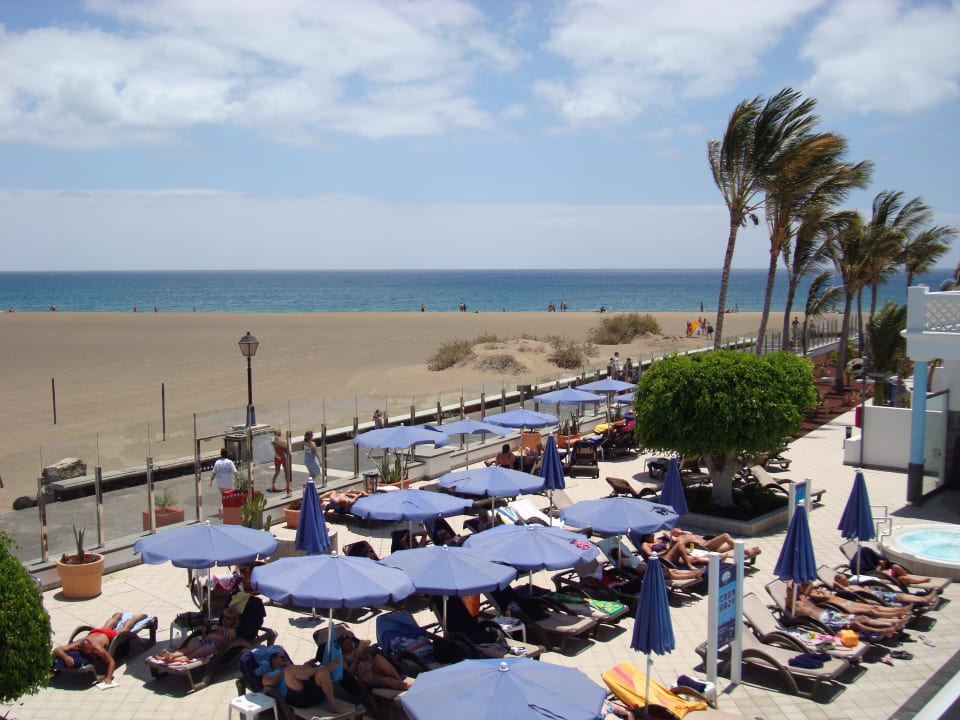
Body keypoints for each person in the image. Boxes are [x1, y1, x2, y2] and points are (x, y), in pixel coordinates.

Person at [53, 612, 148, 683]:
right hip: (95, 632)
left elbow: (111, 662)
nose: (92, 653)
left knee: (124, 629)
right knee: (107, 626)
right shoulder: (78, 644)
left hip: (107, 636)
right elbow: (57, 650)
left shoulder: (97, 648)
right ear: (80, 648)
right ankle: (117, 616)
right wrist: (66, 657)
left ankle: (135, 618)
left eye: (92, 651)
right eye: (90, 653)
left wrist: (108, 677)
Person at [786, 588, 908, 639]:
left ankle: (892, 622)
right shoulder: (792, 606)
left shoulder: (802, 598)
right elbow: (791, 590)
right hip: (824, 620)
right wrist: (789, 584)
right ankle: (883, 630)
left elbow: (805, 588)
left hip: (829, 614)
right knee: (855, 623)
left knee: (863, 618)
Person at [261, 650, 345, 712]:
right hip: (298, 698)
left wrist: (306, 665)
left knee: (321, 672)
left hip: (314, 692)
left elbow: (306, 671)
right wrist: (284, 670)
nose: (285, 659)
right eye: (282, 657)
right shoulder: (269, 674)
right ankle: (325, 668)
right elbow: (269, 682)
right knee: (289, 672)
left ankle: (333, 705)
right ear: (273, 660)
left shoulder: (292, 667)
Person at [149, 608, 239, 664]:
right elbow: (205, 638)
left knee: (192, 655)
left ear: (234, 621)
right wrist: (204, 632)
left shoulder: (231, 631)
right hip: (205, 642)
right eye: (224, 617)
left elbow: (229, 645)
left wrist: (217, 636)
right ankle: (170, 656)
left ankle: (170, 661)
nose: (225, 620)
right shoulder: (219, 627)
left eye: (228, 618)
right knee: (187, 649)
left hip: (214, 647)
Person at [339, 632, 412, 690]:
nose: (350, 645)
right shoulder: (343, 658)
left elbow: (371, 660)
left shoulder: (357, 650)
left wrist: (367, 653)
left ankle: (399, 679)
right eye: (347, 644)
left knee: (378, 658)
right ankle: (403, 685)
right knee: (388, 680)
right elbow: (349, 674)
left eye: (350, 642)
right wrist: (356, 657)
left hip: (372, 667)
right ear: (342, 647)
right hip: (365, 674)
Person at [832, 573, 939, 607]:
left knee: (901, 595)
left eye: (846, 579)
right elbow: (849, 593)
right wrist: (838, 585)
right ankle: (924, 600)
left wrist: (866, 588)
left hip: (876, 593)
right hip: (876, 597)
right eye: (844, 580)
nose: (846, 581)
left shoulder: (851, 584)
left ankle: (923, 598)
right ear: (840, 583)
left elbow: (863, 588)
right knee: (901, 597)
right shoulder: (845, 590)